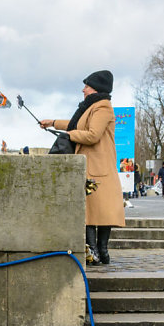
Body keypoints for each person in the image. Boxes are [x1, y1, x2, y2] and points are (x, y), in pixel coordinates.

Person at [40, 70, 123, 265]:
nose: (83, 89)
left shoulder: (102, 108)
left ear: (95, 89)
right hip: (91, 165)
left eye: (86, 86)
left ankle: (99, 251)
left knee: (98, 211)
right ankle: (96, 251)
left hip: (98, 166)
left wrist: (68, 136)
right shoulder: (92, 107)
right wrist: (52, 123)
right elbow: (76, 124)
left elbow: (92, 134)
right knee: (92, 210)